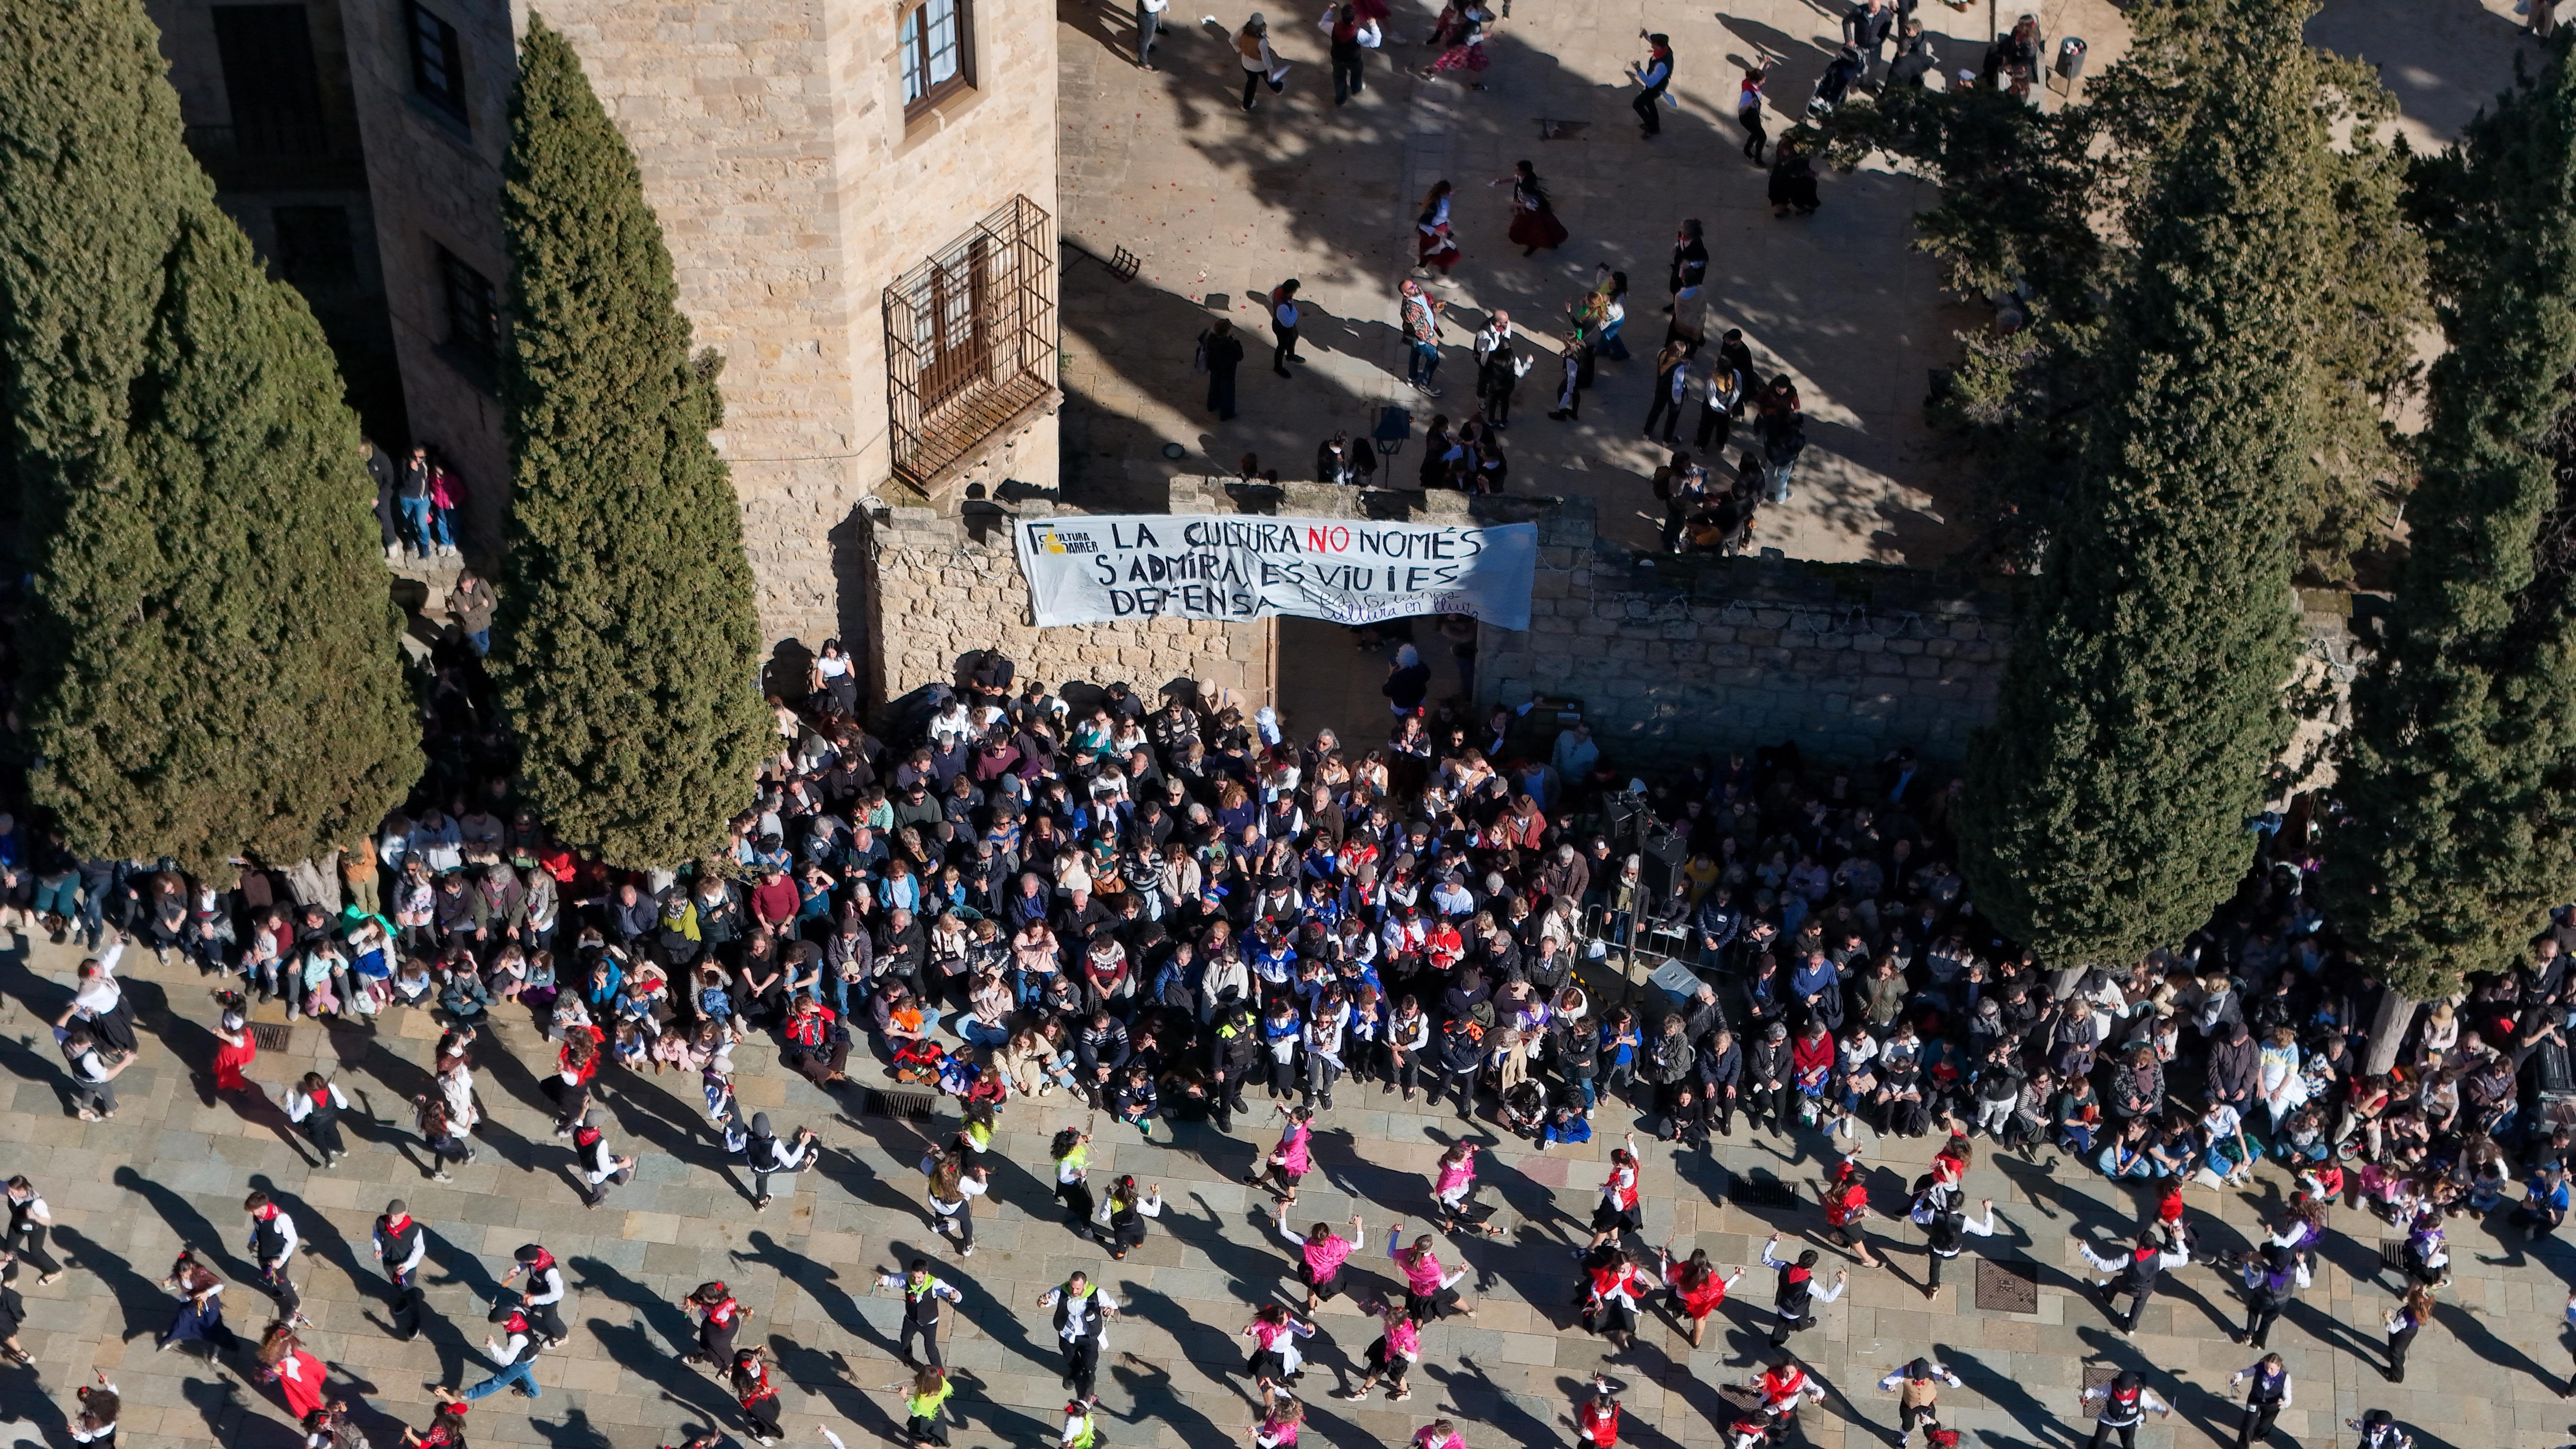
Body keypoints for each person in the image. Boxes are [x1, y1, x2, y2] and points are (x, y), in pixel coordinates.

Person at [2077, 1232, 2187, 1334]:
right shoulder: (2161, 1259)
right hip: (2147, 1289)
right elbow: (2183, 1260)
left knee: (2115, 1283)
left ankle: (2107, 1296)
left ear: (2142, 1246)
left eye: (2139, 1238)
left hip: (2127, 1285)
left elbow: (2104, 1266)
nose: (2137, 1237)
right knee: (2139, 1306)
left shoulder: (2128, 1258)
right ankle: (2130, 1327)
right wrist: (2179, 1239)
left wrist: (2086, 1251)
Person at [1037, 1272, 1119, 1400]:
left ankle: (1090, 1384)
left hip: (1090, 1337)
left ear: (1085, 1286)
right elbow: (1042, 1304)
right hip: (1067, 1334)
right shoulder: (1060, 1291)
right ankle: (1075, 1371)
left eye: (1078, 1288)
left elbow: (1116, 1312)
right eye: (1072, 1287)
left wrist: (1111, 1311)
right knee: (1070, 1358)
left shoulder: (1098, 1294)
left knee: (1090, 1364)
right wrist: (1042, 1301)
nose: (1074, 1291)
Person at [1760, 1233, 1845, 1345]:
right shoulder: (1809, 1284)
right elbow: (1828, 1298)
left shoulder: (1784, 1267)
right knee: (1803, 1316)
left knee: (1782, 1321)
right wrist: (1841, 1282)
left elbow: (1766, 1259)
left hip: (1781, 1303)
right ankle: (1804, 1325)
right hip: (1797, 1310)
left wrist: (1773, 1242)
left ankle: (1777, 1341)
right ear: (1812, 1266)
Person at [879, 1260, 961, 1368]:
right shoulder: (906, 1279)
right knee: (905, 1342)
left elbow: (952, 1293)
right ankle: (908, 1358)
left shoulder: (935, 1284)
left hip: (929, 1322)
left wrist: (954, 1296)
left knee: (930, 1349)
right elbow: (892, 1280)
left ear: (926, 1274)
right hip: (911, 1320)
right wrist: (883, 1280)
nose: (916, 1280)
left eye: (919, 1278)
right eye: (914, 1277)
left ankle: (940, 1373)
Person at [1333, 1301, 1421, 1401]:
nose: (1386, 1323)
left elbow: (1414, 1358)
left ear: (1399, 1326)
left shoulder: (1408, 1338)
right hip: (1387, 1348)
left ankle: (1406, 1393)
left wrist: (1405, 1353)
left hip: (1398, 1358)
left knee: (1397, 1377)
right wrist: (1377, 1308)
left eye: (1389, 1324)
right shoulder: (1392, 1318)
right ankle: (1363, 1392)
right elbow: (1384, 1313)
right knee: (1377, 1368)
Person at [158, 1246, 239, 1353]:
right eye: (182, 1275)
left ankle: (221, 1343)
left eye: (187, 1274)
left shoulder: (201, 1272)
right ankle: (171, 1339)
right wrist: (170, 1280)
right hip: (191, 1303)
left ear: (192, 1266)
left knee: (212, 1326)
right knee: (182, 1322)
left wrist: (207, 1293)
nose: (185, 1277)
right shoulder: (180, 1272)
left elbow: (221, 1284)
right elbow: (176, 1275)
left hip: (208, 1304)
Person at [1657, 1243, 1739, 1348]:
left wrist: (1663, 1261)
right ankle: (1696, 1342)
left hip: (1683, 1300)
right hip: (1701, 1305)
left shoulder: (1683, 1270)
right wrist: (1736, 1276)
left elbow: (1666, 1281)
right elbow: (1722, 1289)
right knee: (1700, 1320)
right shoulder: (1711, 1276)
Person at [245, 1192, 306, 1324]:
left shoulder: (281, 1219)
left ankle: (296, 1302)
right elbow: (257, 1229)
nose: (250, 1213)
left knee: (281, 1281)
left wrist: (281, 1260)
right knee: (269, 1274)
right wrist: (253, 1241)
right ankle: (287, 1286)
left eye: (252, 1211)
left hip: (278, 1256)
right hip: (264, 1252)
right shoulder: (258, 1216)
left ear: (262, 1208)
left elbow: (293, 1240)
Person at [372, 1200, 429, 1341]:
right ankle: (404, 1300)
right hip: (389, 1263)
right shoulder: (381, 1222)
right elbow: (377, 1235)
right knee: (397, 1285)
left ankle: (416, 1321)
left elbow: (419, 1250)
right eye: (390, 1216)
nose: (392, 1220)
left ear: (404, 1214)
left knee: (409, 1292)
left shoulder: (414, 1229)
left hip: (405, 1268)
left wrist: (407, 1266)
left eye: (396, 1216)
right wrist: (378, 1249)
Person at [1879, 1359, 1965, 1446]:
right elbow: (1882, 1384)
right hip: (1909, 1404)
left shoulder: (1935, 1371)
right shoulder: (1902, 1372)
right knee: (1907, 1426)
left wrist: (1950, 1378)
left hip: (1927, 1405)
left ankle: (1931, 1444)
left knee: (1930, 1430)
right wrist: (1887, 1387)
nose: (1918, 1382)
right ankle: (1905, 1437)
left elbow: (1956, 1384)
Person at [743, 1113, 820, 1211]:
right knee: (788, 1166)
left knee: (761, 1179)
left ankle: (762, 1203)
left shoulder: (745, 1137)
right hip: (772, 1167)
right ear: (769, 1126)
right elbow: (790, 1164)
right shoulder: (775, 1144)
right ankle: (805, 1166)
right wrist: (803, 1144)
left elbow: (733, 1147)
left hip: (755, 1167)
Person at [2077, 1371, 2168, 1449]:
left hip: (2128, 1423)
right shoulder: (2110, 1389)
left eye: (2127, 1390)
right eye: (2121, 1389)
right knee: (2098, 1441)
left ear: (2134, 1386)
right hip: (2108, 1420)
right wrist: (2086, 1397)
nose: (2124, 1392)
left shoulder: (2141, 1395)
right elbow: (2094, 1391)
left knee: (2129, 1444)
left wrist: (2163, 1411)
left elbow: (2152, 1404)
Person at [1498, 161, 1568, 256]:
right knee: (1543, 228)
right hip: (1527, 211)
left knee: (1532, 230)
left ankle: (1534, 245)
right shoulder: (1524, 177)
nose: (1515, 171)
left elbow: (1533, 204)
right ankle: (1550, 242)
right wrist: (1502, 181)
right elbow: (1516, 179)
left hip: (1532, 213)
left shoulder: (1528, 188)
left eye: (1517, 170)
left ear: (1523, 172)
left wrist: (1515, 205)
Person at [681, 1280, 754, 1367]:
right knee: (704, 1336)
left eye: (706, 1297)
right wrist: (689, 1305)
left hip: (724, 1330)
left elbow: (734, 1306)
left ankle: (732, 1367)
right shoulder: (705, 1291)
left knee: (722, 1350)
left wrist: (743, 1311)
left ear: (714, 1300)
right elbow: (694, 1299)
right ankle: (698, 1356)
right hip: (710, 1324)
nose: (703, 1297)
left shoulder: (725, 1303)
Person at [5, 1176, 62, 1284]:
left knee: (36, 1251)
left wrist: (35, 1217)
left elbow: (48, 1221)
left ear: (22, 1190)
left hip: (36, 1228)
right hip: (17, 1224)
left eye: (12, 1192)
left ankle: (55, 1271)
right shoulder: (11, 1190)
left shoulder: (37, 1203)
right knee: (10, 1251)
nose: (9, 1193)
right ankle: (11, 1277)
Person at [2228, 1353, 2292, 1446]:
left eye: (2272, 1369)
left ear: (2279, 1367)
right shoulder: (2259, 1368)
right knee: (2248, 1425)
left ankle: (2260, 1435)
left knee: (2265, 1425)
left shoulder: (2285, 1378)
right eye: (2267, 1367)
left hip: (2272, 1405)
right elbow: (2244, 1373)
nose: (2268, 1371)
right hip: (2255, 1400)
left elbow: (2288, 1397)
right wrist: (2237, 1378)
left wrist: (2284, 1403)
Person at [2381, 1284, 2435, 1383]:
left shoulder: (2404, 1318)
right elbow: (2421, 1298)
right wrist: (2422, 1291)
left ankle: (2396, 1377)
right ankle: (2401, 1360)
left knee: (2396, 1351)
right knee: (2401, 1348)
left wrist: (2387, 1319)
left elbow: (2394, 1329)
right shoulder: (2422, 1308)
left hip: (2401, 1334)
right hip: (2411, 1331)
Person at [892, 1366, 957, 1446]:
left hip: (924, 1420)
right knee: (926, 1437)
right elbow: (949, 1390)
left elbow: (915, 1412)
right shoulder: (943, 1382)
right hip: (937, 1413)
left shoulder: (922, 1400)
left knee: (917, 1438)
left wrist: (905, 1397)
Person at [732, 1345, 785, 1443]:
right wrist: (760, 1393)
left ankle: (759, 1422)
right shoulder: (742, 1380)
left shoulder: (752, 1361)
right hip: (755, 1401)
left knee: (776, 1407)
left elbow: (754, 1355)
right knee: (769, 1421)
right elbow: (745, 1397)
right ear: (746, 1365)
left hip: (763, 1389)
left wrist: (759, 1350)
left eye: (755, 1358)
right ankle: (760, 1436)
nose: (757, 1361)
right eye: (754, 1361)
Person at [1400, 279, 1445, 395]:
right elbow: (1419, 328)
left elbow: (1426, 308)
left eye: (1414, 284)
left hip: (1421, 338)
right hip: (1423, 339)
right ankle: (1425, 385)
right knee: (1434, 360)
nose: (1415, 287)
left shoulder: (1418, 293)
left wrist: (1434, 307)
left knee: (1415, 354)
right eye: (1411, 288)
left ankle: (1412, 377)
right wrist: (1431, 339)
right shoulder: (1411, 308)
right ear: (1406, 294)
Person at [1237, 14, 1288, 110]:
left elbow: (1233, 41)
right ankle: (1278, 89)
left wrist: (1243, 51)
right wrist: (1271, 70)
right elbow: (1266, 59)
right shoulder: (1262, 42)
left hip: (1245, 64)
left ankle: (1246, 106)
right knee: (1269, 78)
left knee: (1251, 84)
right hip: (1259, 67)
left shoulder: (1243, 32)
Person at [1628, 32, 1673, 137]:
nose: (1652, 46)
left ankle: (1652, 128)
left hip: (1655, 88)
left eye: (1653, 44)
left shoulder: (1661, 65)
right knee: (1650, 104)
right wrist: (1646, 36)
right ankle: (1655, 127)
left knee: (1638, 105)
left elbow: (1650, 83)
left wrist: (1638, 69)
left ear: (1659, 47)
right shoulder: (1666, 50)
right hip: (1658, 85)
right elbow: (1655, 42)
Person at [1201, 318, 1245, 421]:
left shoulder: (1209, 336)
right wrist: (1236, 341)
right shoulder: (1229, 344)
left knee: (1214, 386)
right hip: (1227, 371)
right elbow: (1240, 356)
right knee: (1228, 392)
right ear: (1226, 332)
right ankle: (1227, 414)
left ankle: (1212, 405)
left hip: (1214, 367)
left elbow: (1202, 340)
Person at [445, 571, 496, 656]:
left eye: (467, 587)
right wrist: (483, 606)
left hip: (485, 623)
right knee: (473, 648)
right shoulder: (457, 596)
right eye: (462, 587)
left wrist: (472, 612)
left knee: (485, 645)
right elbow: (467, 618)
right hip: (472, 629)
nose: (464, 590)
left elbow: (494, 605)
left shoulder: (482, 583)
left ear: (473, 582)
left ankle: (482, 657)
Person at [1416, 182, 1461, 277]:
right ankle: (1441, 275)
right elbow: (1423, 223)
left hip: (1439, 231)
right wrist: (1436, 232)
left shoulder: (1439, 200)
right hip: (1432, 234)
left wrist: (1451, 193)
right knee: (1440, 253)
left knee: (1432, 252)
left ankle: (1421, 269)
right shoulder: (1435, 206)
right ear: (1443, 193)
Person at [1269, 279, 1304, 376]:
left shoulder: (1279, 289)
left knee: (1294, 336)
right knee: (1282, 346)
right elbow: (1288, 323)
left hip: (1285, 321)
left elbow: (1270, 297)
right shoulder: (1282, 306)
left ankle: (1290, 355)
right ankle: (1278, 368)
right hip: (1281, 327)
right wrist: (1295, 313)